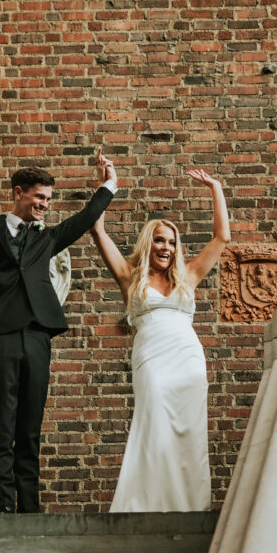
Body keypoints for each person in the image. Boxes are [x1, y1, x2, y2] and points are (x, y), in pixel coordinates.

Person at [0, 153, 118, 513]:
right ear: (19, 193)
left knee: (30, 425)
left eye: (49, 199)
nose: (45, 205)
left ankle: (29, 509)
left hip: (38, 336)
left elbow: (86, 219)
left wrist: (109, 184)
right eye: (40, 197)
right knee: (2, 423)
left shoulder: (48, 238)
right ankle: (3, 507)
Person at [89, 159, 230, 512]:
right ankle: (144, 506)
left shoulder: (191, 275)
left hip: (188, 360)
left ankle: (188, 507)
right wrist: (107, 185)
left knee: (188, 433)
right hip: (151, 359)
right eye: (159, 240)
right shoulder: (129, 276)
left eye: (171, 242)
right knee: (152, 424)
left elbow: (221, 238)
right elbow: (97, 231)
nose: (166, 247)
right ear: (148, 243)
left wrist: (215, 188)